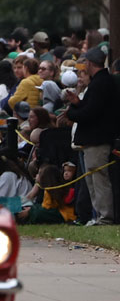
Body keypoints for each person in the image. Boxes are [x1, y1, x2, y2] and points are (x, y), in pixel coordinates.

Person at [58, 45, 117, 225]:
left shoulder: (101, 83)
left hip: (97, 138)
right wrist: (77, 102)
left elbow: (92, 113)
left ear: (90, 64)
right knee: (92, 179)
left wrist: (72, 114)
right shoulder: (101, 81)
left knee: (99, 179)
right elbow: (90, 106)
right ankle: (98, 215)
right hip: (93, 138)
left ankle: (104, 217)